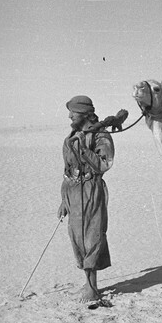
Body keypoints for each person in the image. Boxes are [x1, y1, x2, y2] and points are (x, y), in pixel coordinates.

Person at [57, 95, 114, 306]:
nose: (70, 116)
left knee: (92, 237)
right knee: (78, 238)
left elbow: (104, 164)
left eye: (73, 112)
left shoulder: (101, 136)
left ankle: (92, 288)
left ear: (85, 114)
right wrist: (64, 200)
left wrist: (83, 149)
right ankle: (88, 284)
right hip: (73, 194)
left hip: (91, 191)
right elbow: (67, 171)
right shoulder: (72, 135)